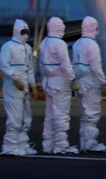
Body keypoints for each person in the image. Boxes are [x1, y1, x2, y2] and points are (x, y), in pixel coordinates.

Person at [38, 17, 78, 154]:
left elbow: (41, 66)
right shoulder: (60, 44)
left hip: (48, 82)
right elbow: (66, 65)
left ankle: (48, 144)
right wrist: (73, 80)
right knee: (61, 114)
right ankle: (61, 145)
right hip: (60, 82)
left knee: (49, 115)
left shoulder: (43, 43)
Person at [0, 19, 37, 155]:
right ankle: (9, 145)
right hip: (12, 87)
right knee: (14, 117)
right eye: (23, 32)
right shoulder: (7, 47)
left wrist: (32, 85)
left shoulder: (27, 48)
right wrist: (14, 79)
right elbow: (4, 65)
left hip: (24, 86)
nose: (26, 35)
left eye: (27, 32)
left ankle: (22, 143)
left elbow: (29, 69)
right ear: (16, 31)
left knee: (26, 117)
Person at [71, 15, 106, 152]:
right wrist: (104, 82)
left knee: (85, 114)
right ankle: (91, 144)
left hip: (79, 81)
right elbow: (96, 67)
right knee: (92, 113)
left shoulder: (77, 44)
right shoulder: (92, 45)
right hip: (90, 81)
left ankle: (84, 142)